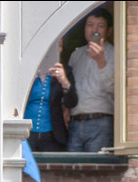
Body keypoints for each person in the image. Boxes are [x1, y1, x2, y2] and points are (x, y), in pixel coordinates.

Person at [66, 9, 115, 153]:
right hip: (75, 121)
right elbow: (69, 86)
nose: (94, 29)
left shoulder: (115, 54)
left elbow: (117, 89)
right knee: (72, 169)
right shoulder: (76, 54)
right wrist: (65, 107)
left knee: (96, 168)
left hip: (101, 121)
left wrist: (101, 61)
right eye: (90, 25)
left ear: (109, 31)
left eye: (100, 26)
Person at [27, 61, 75, 152]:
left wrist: (64, 81)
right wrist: (28, 80)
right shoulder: (27, 69)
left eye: (60, 46)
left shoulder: (64, 71)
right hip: (26, 131)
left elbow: (71, 103)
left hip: (52, 132)